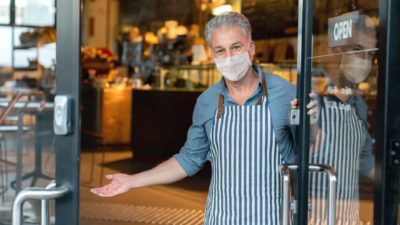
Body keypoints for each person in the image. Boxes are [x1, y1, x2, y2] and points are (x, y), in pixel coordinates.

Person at [91, 12, 296, 224]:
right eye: (220, 51)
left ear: (251, 48)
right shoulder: (207, 101)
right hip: (222, 218)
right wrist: (132, 180)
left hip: (273, 217)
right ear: (213, 56)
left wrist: (314, 124)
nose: (229, 57)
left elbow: (310, 151)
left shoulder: (285, 93)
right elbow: (189, 159)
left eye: (236, 47)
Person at [301, 13, 377, 225]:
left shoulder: (358, 104)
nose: (365, 60)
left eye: (370, 54)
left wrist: (391, 177)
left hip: (349, 217)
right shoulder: (308, 94)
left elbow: (363, 160)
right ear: (335, 50)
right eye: (358, 50)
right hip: (312, 217)